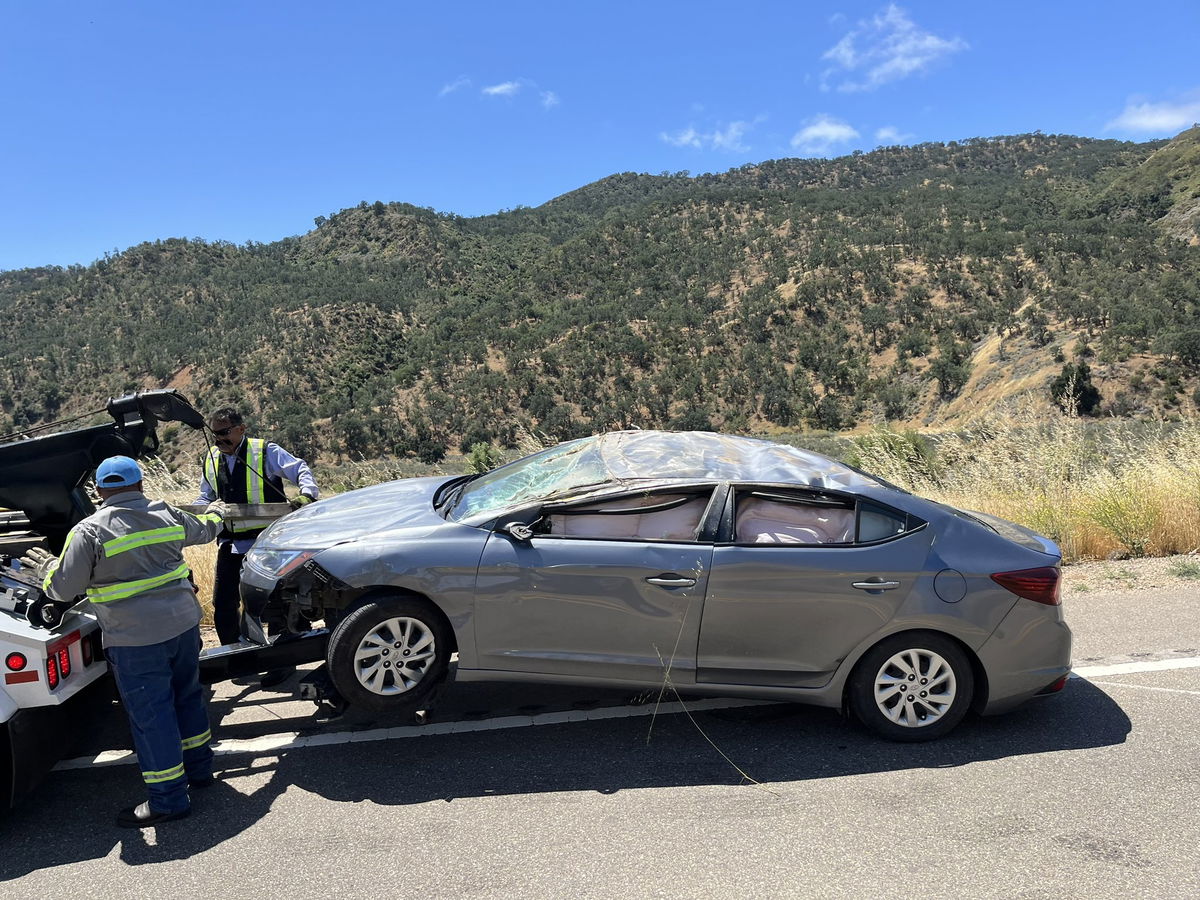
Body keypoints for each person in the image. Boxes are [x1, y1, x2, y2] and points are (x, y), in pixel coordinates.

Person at [21, 455, 227, 828]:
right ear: (140, 485)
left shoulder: (89, 531)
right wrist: (216, 511)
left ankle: (168, 800)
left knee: (154, 717)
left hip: (135, 639)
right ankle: (200, 772)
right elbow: (206, 530)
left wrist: (47, 568)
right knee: (187, 698)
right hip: (183, 627)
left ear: (99, 490)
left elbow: (63, 589)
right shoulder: (166, 513)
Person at [194, 407, 318, 684]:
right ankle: (236, 660)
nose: (219, 440)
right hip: (230, 544)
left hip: (266, 543)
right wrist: (195, 513)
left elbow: (299, 469)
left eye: (224, 433)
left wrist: (307, 495)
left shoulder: (265, 452)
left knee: (273, 604)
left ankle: (281, 662)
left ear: (241, 428)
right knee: (224, 604)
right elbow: (206, 496)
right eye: (215, 434)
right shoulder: (212, 458)